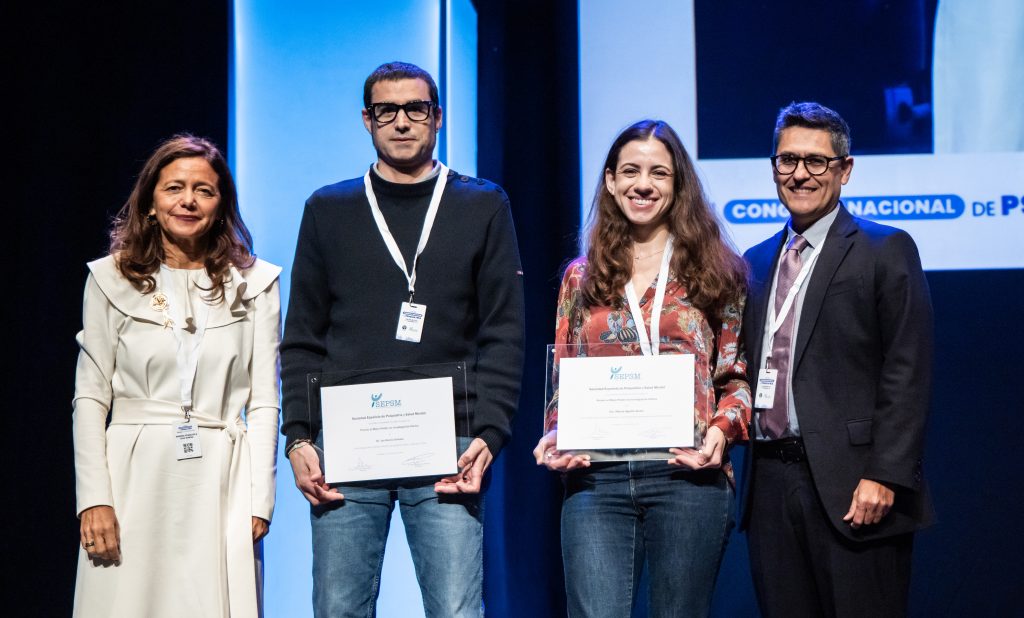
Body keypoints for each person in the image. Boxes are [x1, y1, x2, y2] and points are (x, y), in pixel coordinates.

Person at [280, 61, 524, 617]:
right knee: (340, 609)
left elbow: (503, 330)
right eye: (386, 111)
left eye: (416, 109)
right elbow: (302, 338)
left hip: (447, 442)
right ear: (366, 120)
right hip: (345, 442)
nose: (402, 122)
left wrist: (490, 430)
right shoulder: (328, 208)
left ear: (437, 118)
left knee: (456, 610)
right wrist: (298, 436)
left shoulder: (482, 204)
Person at [533, 119, 751, 617]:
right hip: (596, 480)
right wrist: (555, 433)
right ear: (610, 181)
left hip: (687, 476)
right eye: (630, 171)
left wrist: (722, 431)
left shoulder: (718, 271)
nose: (643, 184)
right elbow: (564, 380)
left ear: (678, 186)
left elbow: (735, 377)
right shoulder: (580, 277)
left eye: (659, 173)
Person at [72, 134, 282, 617]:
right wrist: (94, 499)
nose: (188, 200)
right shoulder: (109, 278)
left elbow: (267, 399)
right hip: (131, 477)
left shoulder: (256, 283)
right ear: (150, 201)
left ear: (221, 204)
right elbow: (89, 398)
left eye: (204, 190)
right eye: (174, 188)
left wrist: (259, 499)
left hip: (221, 480)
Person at [739, 102, 934, 617]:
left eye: (816, 161)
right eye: (787, 160)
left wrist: (886, 475)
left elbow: (907, 369)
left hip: (855, 484)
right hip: (771, 487)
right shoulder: (755, 261)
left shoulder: (884, 248)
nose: (799, 173)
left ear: (845, 170)